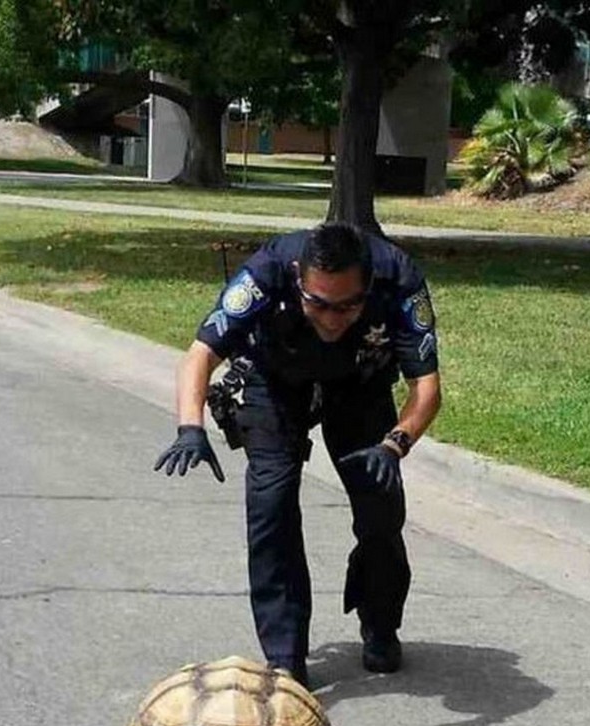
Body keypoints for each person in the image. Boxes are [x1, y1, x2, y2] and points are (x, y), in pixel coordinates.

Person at [154, 222, 442, 689]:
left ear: (368, 286)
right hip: (276, 383)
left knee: (381, 511)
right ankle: (286, 657)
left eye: (347, 306)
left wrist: (396, 444)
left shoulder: (399, 278)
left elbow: (426, 388)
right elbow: (201, 354)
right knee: (271, 505)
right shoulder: (266, 272)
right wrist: (191, 426)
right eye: (319, 303)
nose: (331, 318)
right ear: (297, 277)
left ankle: (381, 623)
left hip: (361, 385)